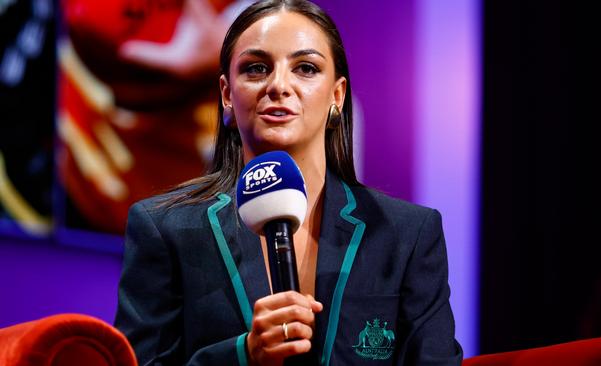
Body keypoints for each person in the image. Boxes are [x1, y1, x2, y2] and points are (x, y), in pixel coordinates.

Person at [114, 1, 463, 365]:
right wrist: (243, 355)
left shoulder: (406, 234)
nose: (279, 85)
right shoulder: (165, 228)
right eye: (256, 68)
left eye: (306, 68)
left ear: (337, 96)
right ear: (227, 95)